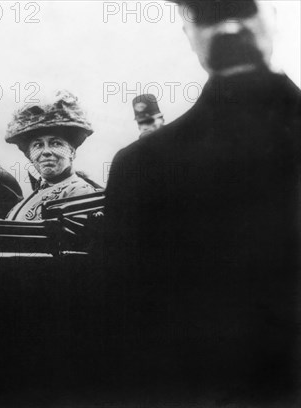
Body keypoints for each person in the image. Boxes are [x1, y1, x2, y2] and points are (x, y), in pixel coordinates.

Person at [101, 1, 301, 405]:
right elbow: (125, 325)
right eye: (208, 15)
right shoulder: (142, 167)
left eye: (242, 9)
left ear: (274, 17)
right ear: (187, 31)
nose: (228, 28)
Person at [5, 91, 102, 221]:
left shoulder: (80, 192)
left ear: (72, 152)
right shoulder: (34, 195)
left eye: (55, 143)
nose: (46, 152)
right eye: (38, 145)